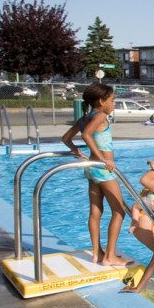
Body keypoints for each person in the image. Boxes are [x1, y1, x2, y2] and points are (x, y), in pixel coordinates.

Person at [60, 83, 129, 267]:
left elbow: (65, 138)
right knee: (119, 211)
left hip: (91, 169)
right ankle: (110, 256)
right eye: (112, 100)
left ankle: (97, 253)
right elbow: (87, 135)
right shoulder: (100, 116)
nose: (114, 104)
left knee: (96, 211)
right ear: (101, 101)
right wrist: (102, 159)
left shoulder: (85, 117)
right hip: (103, 170)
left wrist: (75, 150)